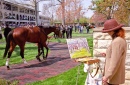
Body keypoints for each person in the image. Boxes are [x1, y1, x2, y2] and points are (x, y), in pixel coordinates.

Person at [101, 19, 127, 85]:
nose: (107, 33)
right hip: (113, 76)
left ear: (112, 30)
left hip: (112, 78)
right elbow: (117, 56)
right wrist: (107, 54)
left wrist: (107, 76)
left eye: (108, 31)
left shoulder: (117, 41)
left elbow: (115, 62)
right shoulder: (119, 40)